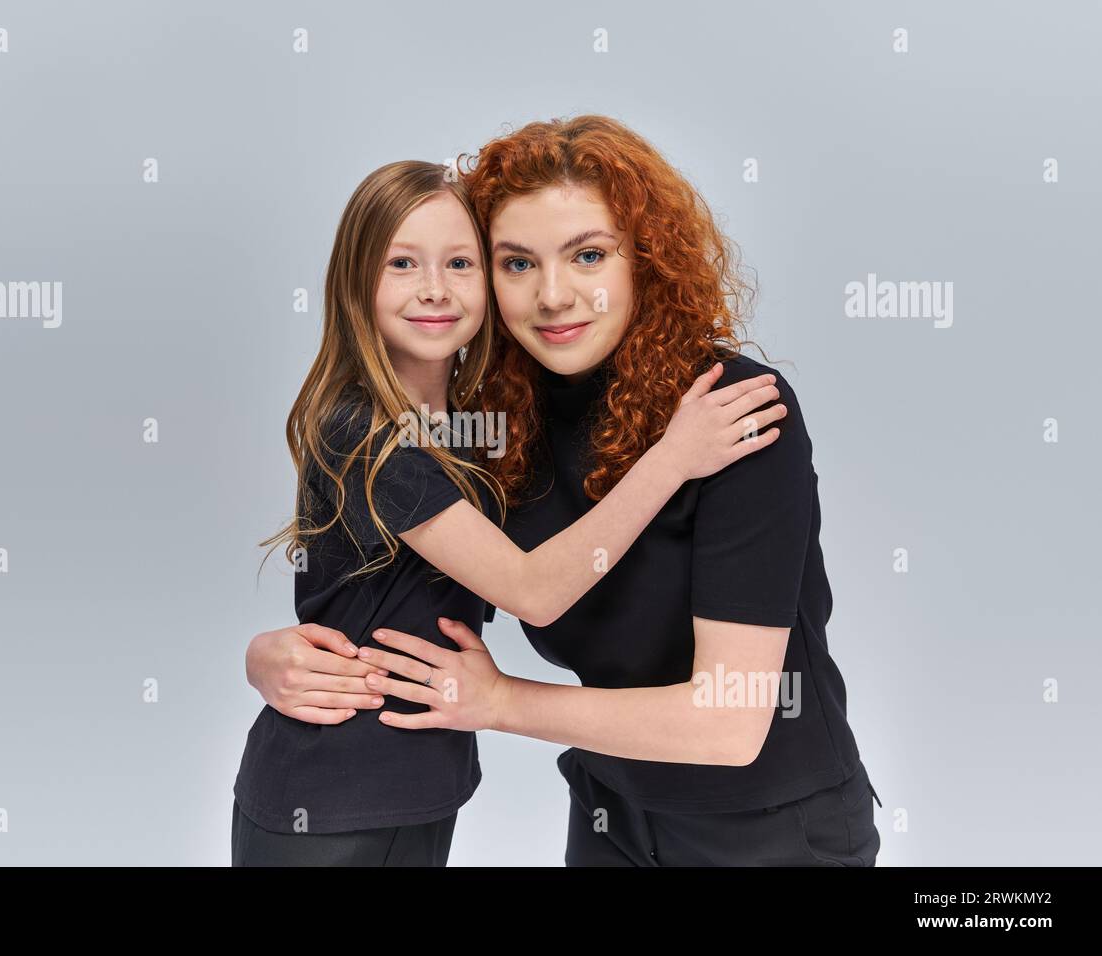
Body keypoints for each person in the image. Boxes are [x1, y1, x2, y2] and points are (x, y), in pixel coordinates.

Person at [246, 116, 881, 866]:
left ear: (645, 259)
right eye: (515, 263)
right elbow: (399, 554)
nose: (553, 295)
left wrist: (504, 702)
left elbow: (730, 724)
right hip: (611, 808)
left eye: (588, 255)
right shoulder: (498, 422)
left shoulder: (725, 410)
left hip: (766, 826)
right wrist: (275, 655)